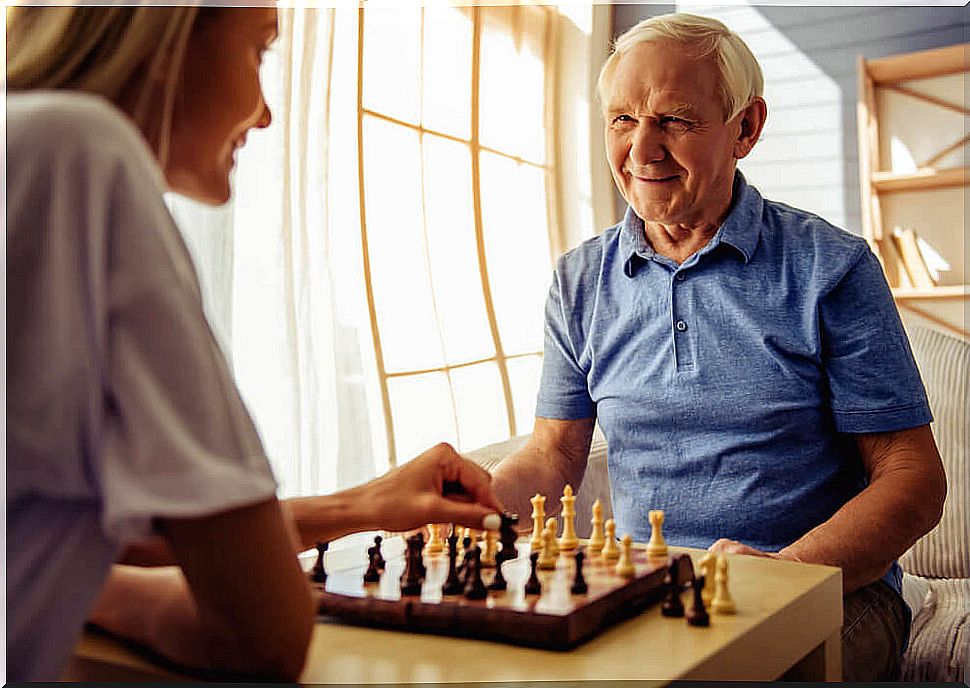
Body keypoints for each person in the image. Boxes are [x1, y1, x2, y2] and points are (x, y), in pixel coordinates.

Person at [6, 6, 501, 682]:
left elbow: (81, 522)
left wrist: (362, 506)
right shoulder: (82, 151)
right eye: (259, 52)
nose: (265, 114)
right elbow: (264, 634)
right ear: (165, 37)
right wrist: (109, 592)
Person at [490, 13, 946, 681]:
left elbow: (913, 477)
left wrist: (788, 576)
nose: (642, 151)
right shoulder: (579, 280)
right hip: (645, 590)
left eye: (674, 120)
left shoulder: (833, 268)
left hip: (830, 592)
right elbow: (552, 453)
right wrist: (474, 503)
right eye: (621, 120)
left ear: (746, 128)